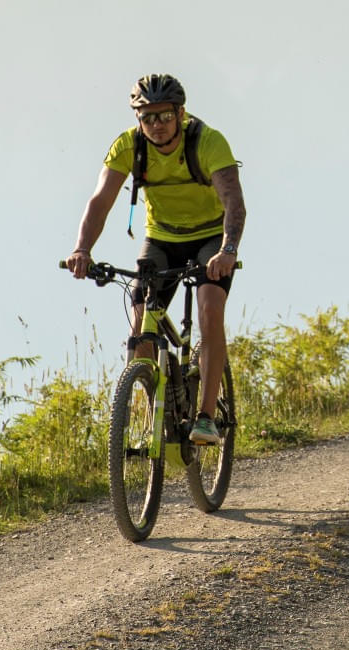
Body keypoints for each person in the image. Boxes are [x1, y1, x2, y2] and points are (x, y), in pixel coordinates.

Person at [65, 73, 246, 445]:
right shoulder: (129, 147)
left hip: (210, 237)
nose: (156, 125)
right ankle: (157, 415)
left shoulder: (208, 142)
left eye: (164, 116)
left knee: (210, 308)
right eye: (147, 118)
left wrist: (228, 251)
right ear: (138, 119)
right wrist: (82, 249)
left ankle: (207, 417)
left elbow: (234, 203)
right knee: (140, 327)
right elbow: (100, 201)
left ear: (180, 113)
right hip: (161, 238)